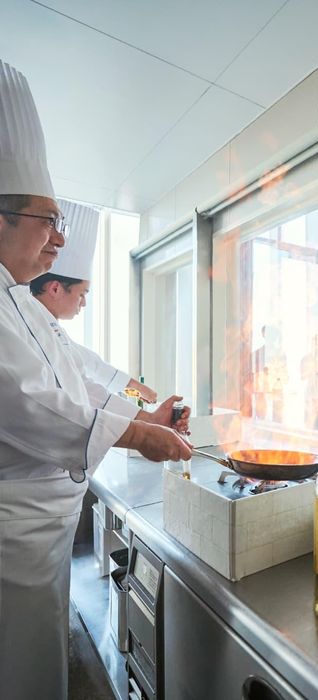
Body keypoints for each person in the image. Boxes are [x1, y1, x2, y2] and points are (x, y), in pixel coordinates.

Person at [0, 60, 192, 700]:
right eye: (45, 220)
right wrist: (140, 433)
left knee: (43, 659)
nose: (56, 238)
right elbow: (31, 405)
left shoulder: (22, 305)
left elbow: (92, 377)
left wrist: (150, 412)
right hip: (12, 536)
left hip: (43, 534)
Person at [29, 198, 157, 402]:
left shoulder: (48, 325)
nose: (84, 304)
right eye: (82, 294)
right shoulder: (31, 323)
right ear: (55, 288)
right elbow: (81, 385)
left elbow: (88, 363)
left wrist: (133, 387)